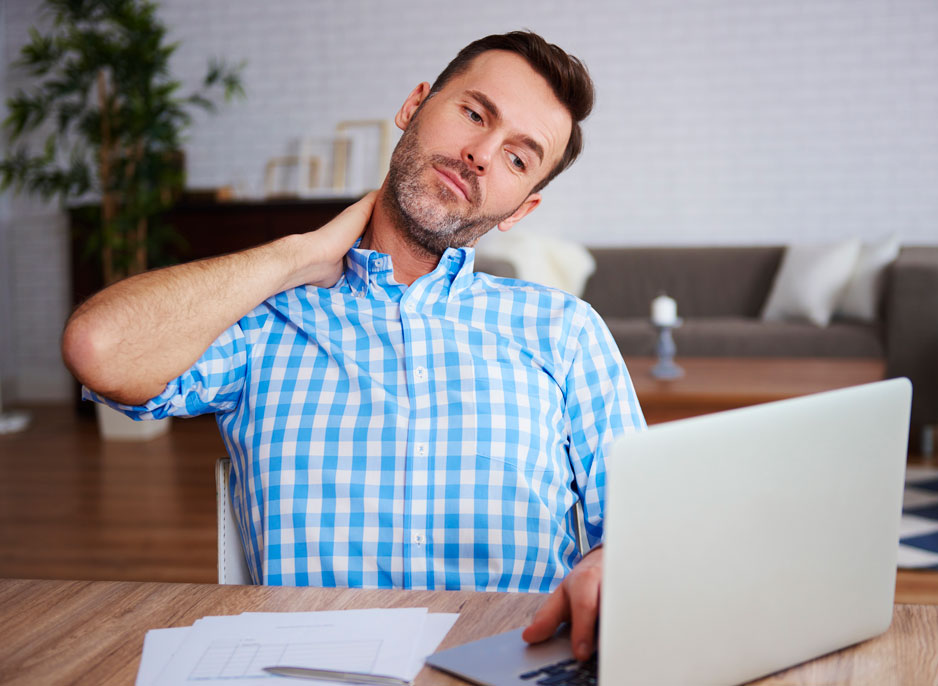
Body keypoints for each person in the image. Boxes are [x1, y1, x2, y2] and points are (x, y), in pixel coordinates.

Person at [62, 31, 644, 662]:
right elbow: (98, 346)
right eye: (475, 114)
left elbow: (646, 530)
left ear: (520, 209)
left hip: (513, 664)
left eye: (517, 158)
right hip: (307, 670)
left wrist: (615, 562)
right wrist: (300, 255)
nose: (480, 153)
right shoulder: (267, 320)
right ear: (414, 106)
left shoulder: (565, 332)